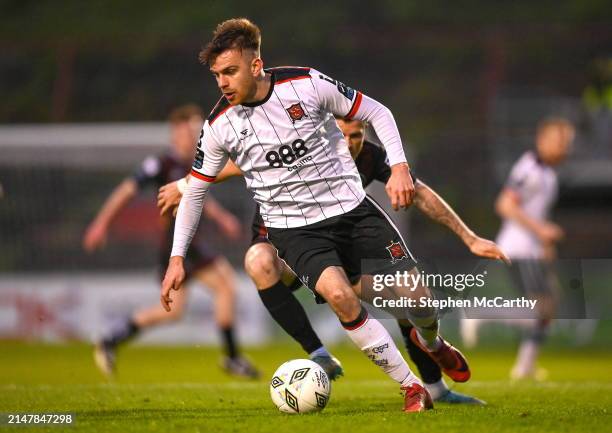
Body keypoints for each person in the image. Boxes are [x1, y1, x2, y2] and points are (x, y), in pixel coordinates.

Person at [161, 18, 508, 412]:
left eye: (230, 71)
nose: (222, 83)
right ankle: (412, 387)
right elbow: (198, 190)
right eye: (217, 75)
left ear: (256, 66)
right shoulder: (218, 126)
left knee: (417, 298)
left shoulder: (307, 84)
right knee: (340, 296)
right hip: (294, 232)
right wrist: (176, 258)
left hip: (352, 211)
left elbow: (378, 111)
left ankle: (432, 342)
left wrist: (398, 168)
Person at [158, 117, 491, 404]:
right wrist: (187, 183)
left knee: (407, 302)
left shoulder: (370, 157)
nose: (348, 144)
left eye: (356, 136)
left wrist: (469, 237)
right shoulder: (302, 148)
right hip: (287, 240)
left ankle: (434, 383)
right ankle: (319, 353)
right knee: (259, 261)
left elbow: (417, 191)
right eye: (341, 135)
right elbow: (241, 161)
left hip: (340, 244)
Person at [83, 104, 260, 379]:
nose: (196, 135)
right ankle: (233, 357)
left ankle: (111, 339)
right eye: (191, 130)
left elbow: (197, 192)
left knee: (173, 311)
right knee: (226, 286)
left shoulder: (192, 163)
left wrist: (222, 217)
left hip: (187, 242)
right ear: (176, 132)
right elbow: (125, 191)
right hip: (178, 244)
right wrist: (101, 224)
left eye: (198, 130)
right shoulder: (161, 164)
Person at [462, 117, 574, 380]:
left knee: (547, 308)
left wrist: (545, 244)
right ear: (542, 140)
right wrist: (541, 230)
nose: (564, 148)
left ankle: (525, 367)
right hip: (518, 247)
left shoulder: (548, 173)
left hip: (532, 249)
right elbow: (504, 204)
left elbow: (537, 214)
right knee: (541, 309)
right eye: (560, 142)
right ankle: (482, 314)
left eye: (567, 143)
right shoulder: (529, 168)